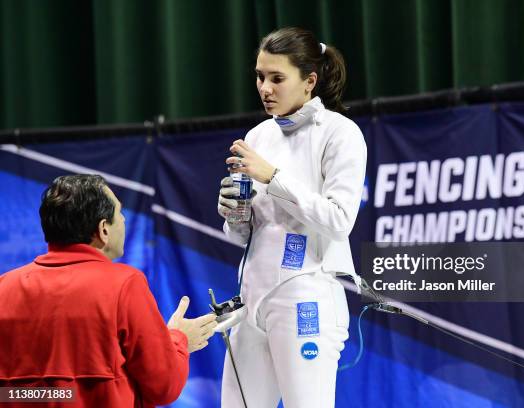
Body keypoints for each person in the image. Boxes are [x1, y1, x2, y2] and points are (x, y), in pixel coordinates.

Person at [217, 27, 367, 407]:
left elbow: (338, 220)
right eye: (260, 76)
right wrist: (234, 212)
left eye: (277, 78)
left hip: (307, 300)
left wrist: (273, 177)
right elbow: (243, 237)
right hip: (251, 301)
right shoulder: (258, 136)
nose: (265, 88)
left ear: (309, 81)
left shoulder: (340, 133)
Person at [0, 174, 217, 407]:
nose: (123, 220)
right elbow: (164, 386)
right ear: (103, 229)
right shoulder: (124, 285)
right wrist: (178, 339)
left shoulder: (4, 287)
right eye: (119, 213)